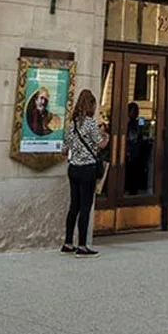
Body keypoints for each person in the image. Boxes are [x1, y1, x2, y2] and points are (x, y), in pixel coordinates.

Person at [61, 89, 108, 257]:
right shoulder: (90, 123)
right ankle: (82, 245)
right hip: (87, 169)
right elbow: (100, 145)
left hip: (73, 168)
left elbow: (64, 149)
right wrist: (107, 137)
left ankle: (67, 242)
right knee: (85, 207)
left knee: (74, 206)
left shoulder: (72, 124)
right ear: (91, 105)